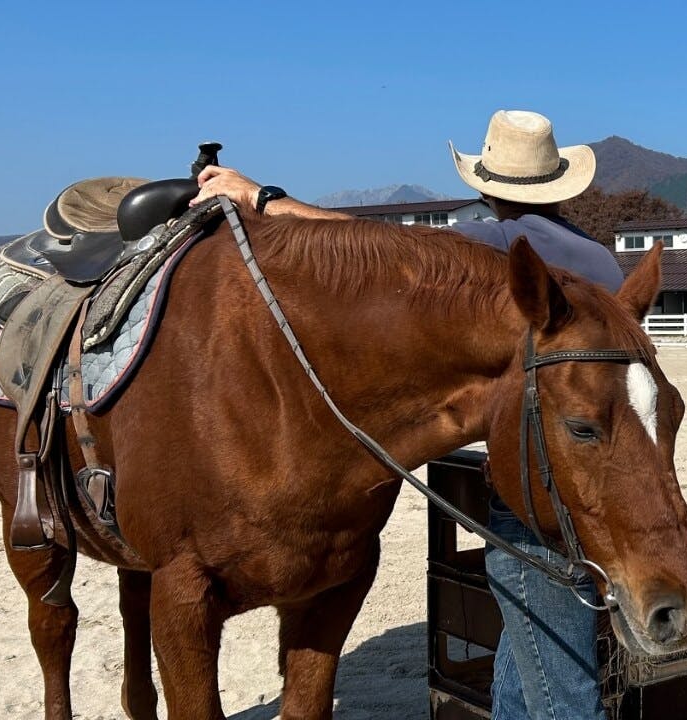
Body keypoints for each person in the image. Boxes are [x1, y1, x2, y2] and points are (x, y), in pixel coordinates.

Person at [193, 110, 617, 720]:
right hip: (594, 476)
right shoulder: (598, 259)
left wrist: (258, 195)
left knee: (560, 683)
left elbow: (371, 248)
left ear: (485, 186)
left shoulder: (504, 251)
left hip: (536, 486)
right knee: (528, 658)